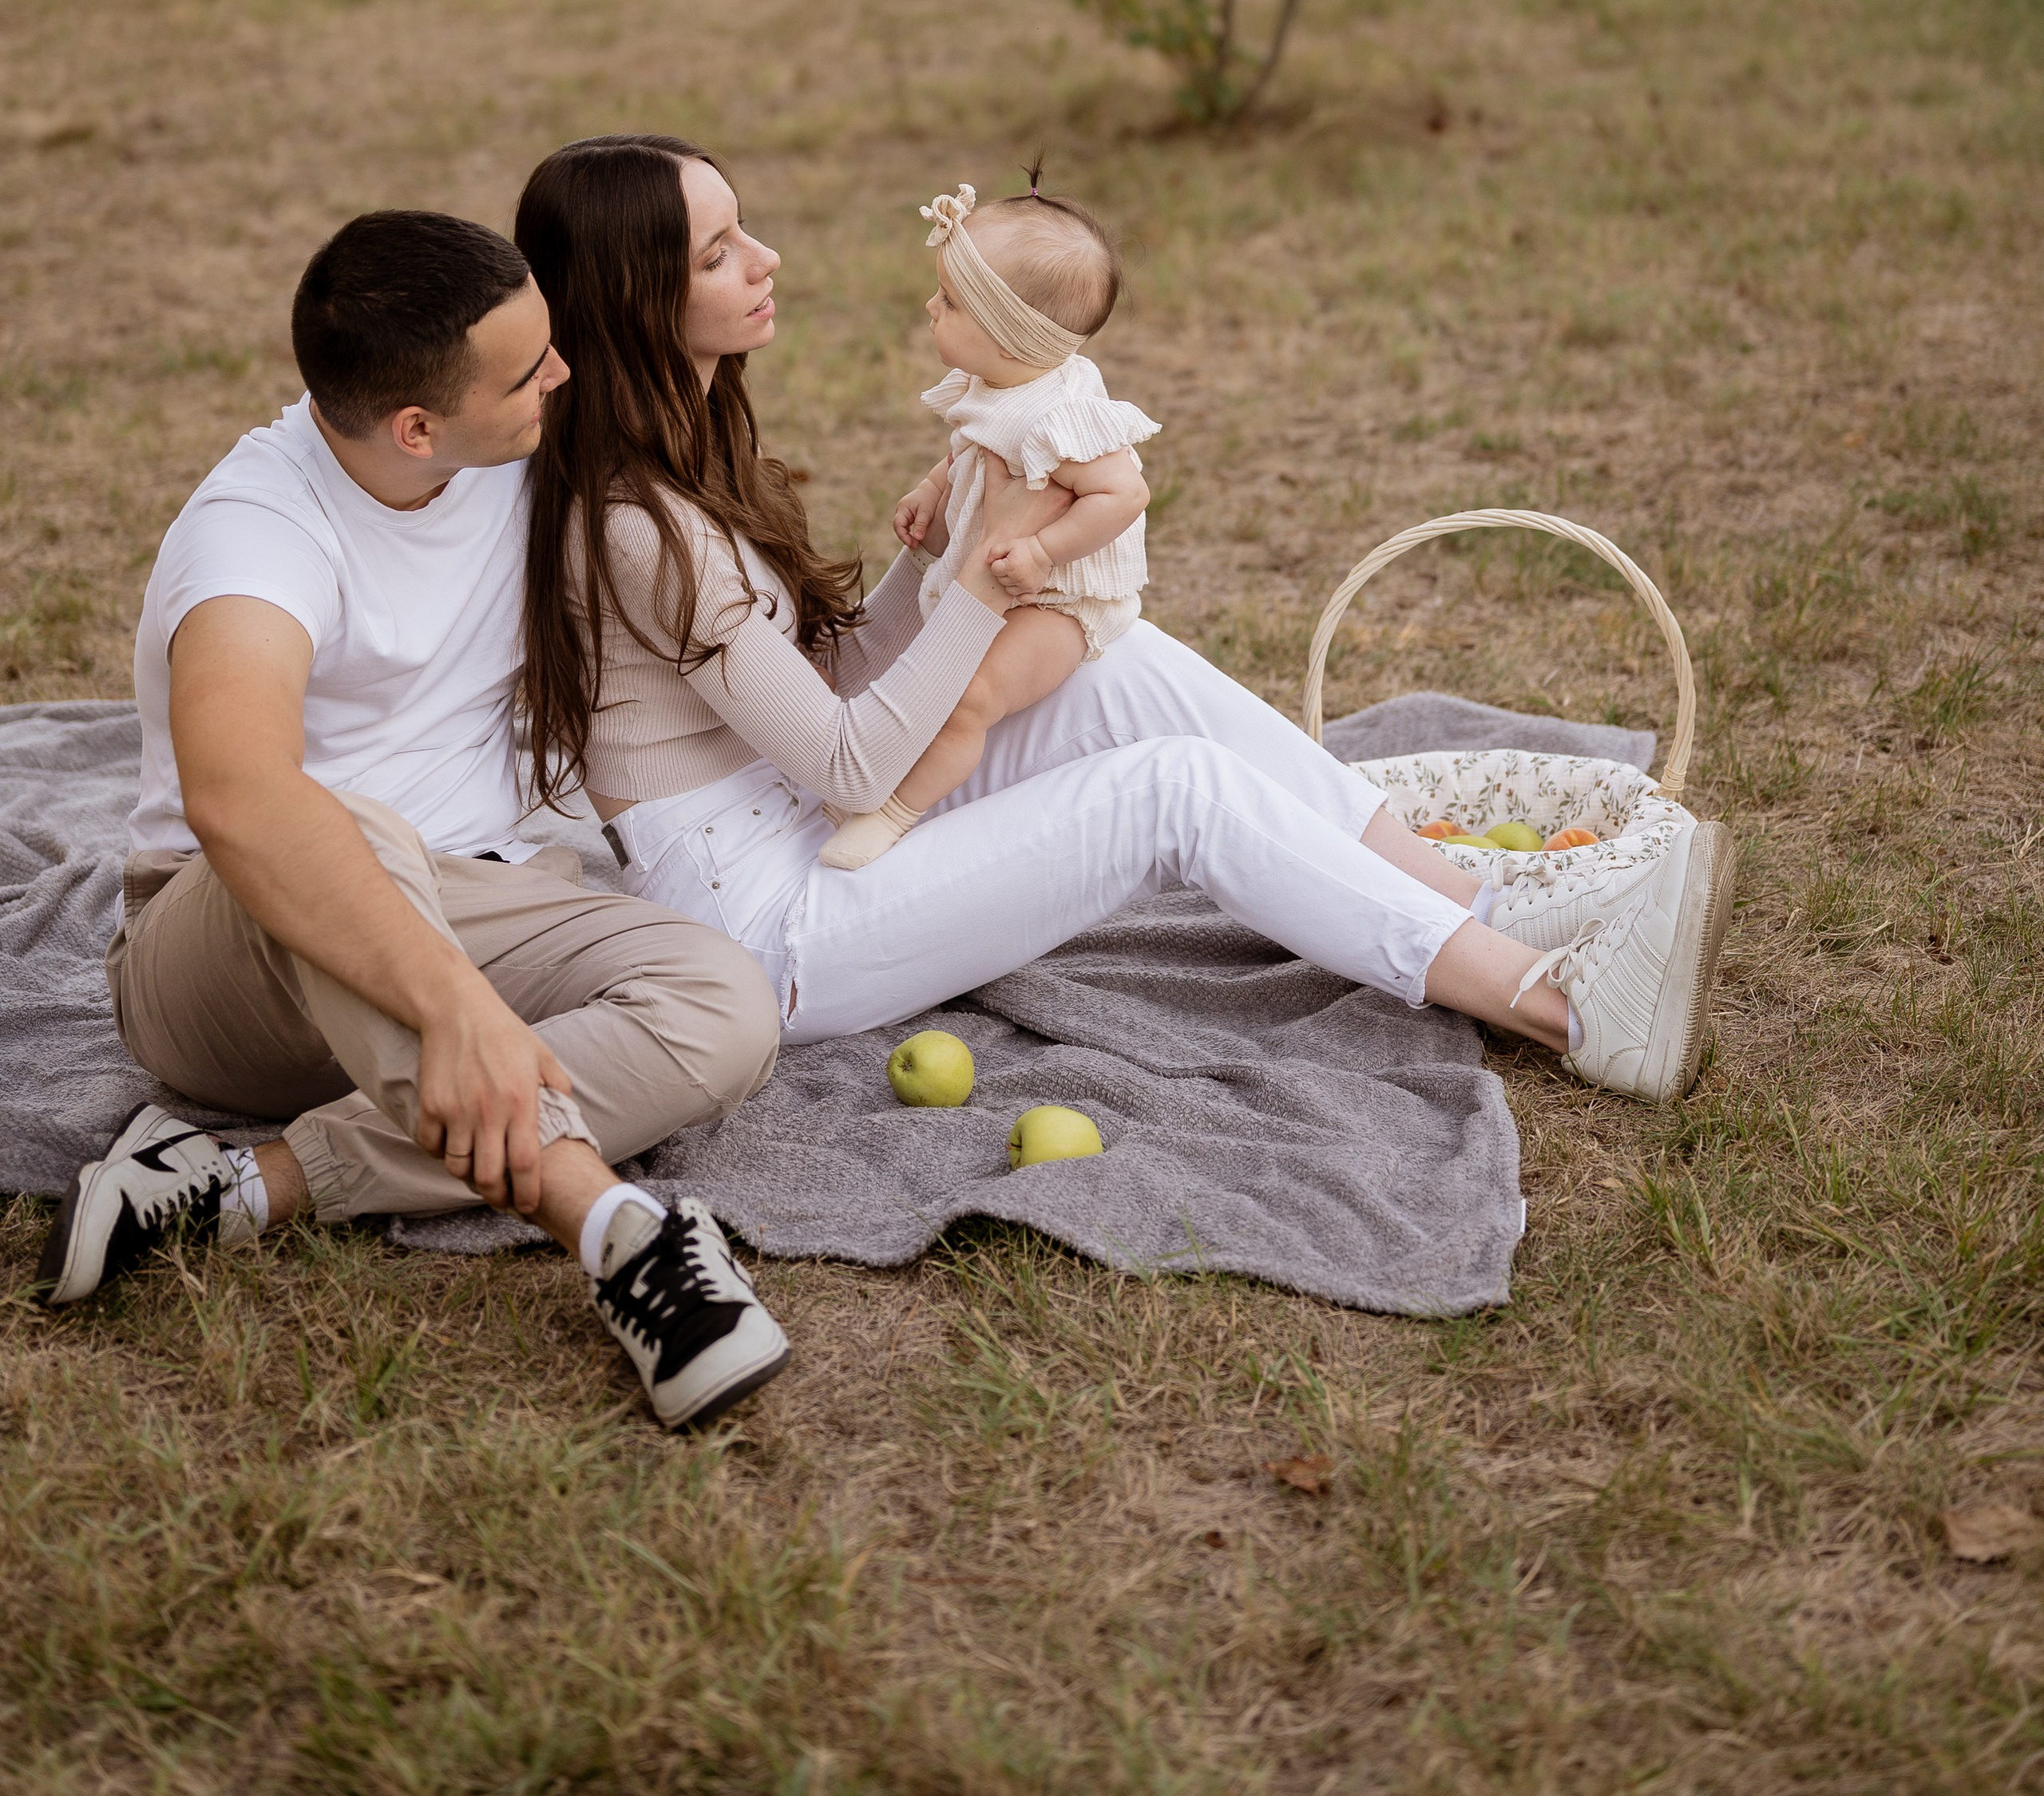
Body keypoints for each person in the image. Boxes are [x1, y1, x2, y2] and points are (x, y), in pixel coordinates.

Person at [514, 134, 1732, 1108]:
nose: (767, 256)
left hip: (804, 811)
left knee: (1111, 656)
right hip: (772, 927)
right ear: (637, 298)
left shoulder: (686, 446)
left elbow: (821, 683)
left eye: (744, 229)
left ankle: (1474, 908)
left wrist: (936, 562)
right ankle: (1565, 1010)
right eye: (721, 252)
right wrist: (984, 583)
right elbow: (849, 765)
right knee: (1174, 792)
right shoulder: (633, 523)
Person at [33, 211, 792, 1434]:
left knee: (728, 1003)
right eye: (529, 370)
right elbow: (240, 796)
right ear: (416, 428)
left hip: (479, 892)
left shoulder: (510, 440)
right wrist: (454, 1009)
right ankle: (620, 1235)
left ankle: (249, 1186)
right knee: (344, 824)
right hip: (223, 955)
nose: (563, 374)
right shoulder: (255, 536)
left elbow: (681, 355)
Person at [816, 177, 1157, 871]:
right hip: (1006, 579)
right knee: (927, 673)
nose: (930, 306)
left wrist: (1045, 550)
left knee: (969, 697)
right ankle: (884, 772)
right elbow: (971, 445)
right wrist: (932, 487)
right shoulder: (999, 385)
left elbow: (1125, 494)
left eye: (949, 301)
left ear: (1007, 335)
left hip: (1064, 603)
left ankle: (895, 811)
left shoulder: (1060, 417)